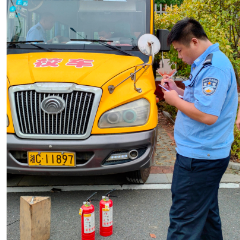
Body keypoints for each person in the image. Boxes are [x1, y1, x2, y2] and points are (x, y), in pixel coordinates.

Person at [161, 18, 238, 239]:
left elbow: (207, 115)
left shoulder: (214, 68)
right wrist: (177, 90)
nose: (178, 55)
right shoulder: (205, 63)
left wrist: (174, 100)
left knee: (183, 222)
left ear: (194, 41)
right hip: (204, 154)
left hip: (200, 158)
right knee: (206, 218)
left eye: (179, 49)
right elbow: (201, 102)